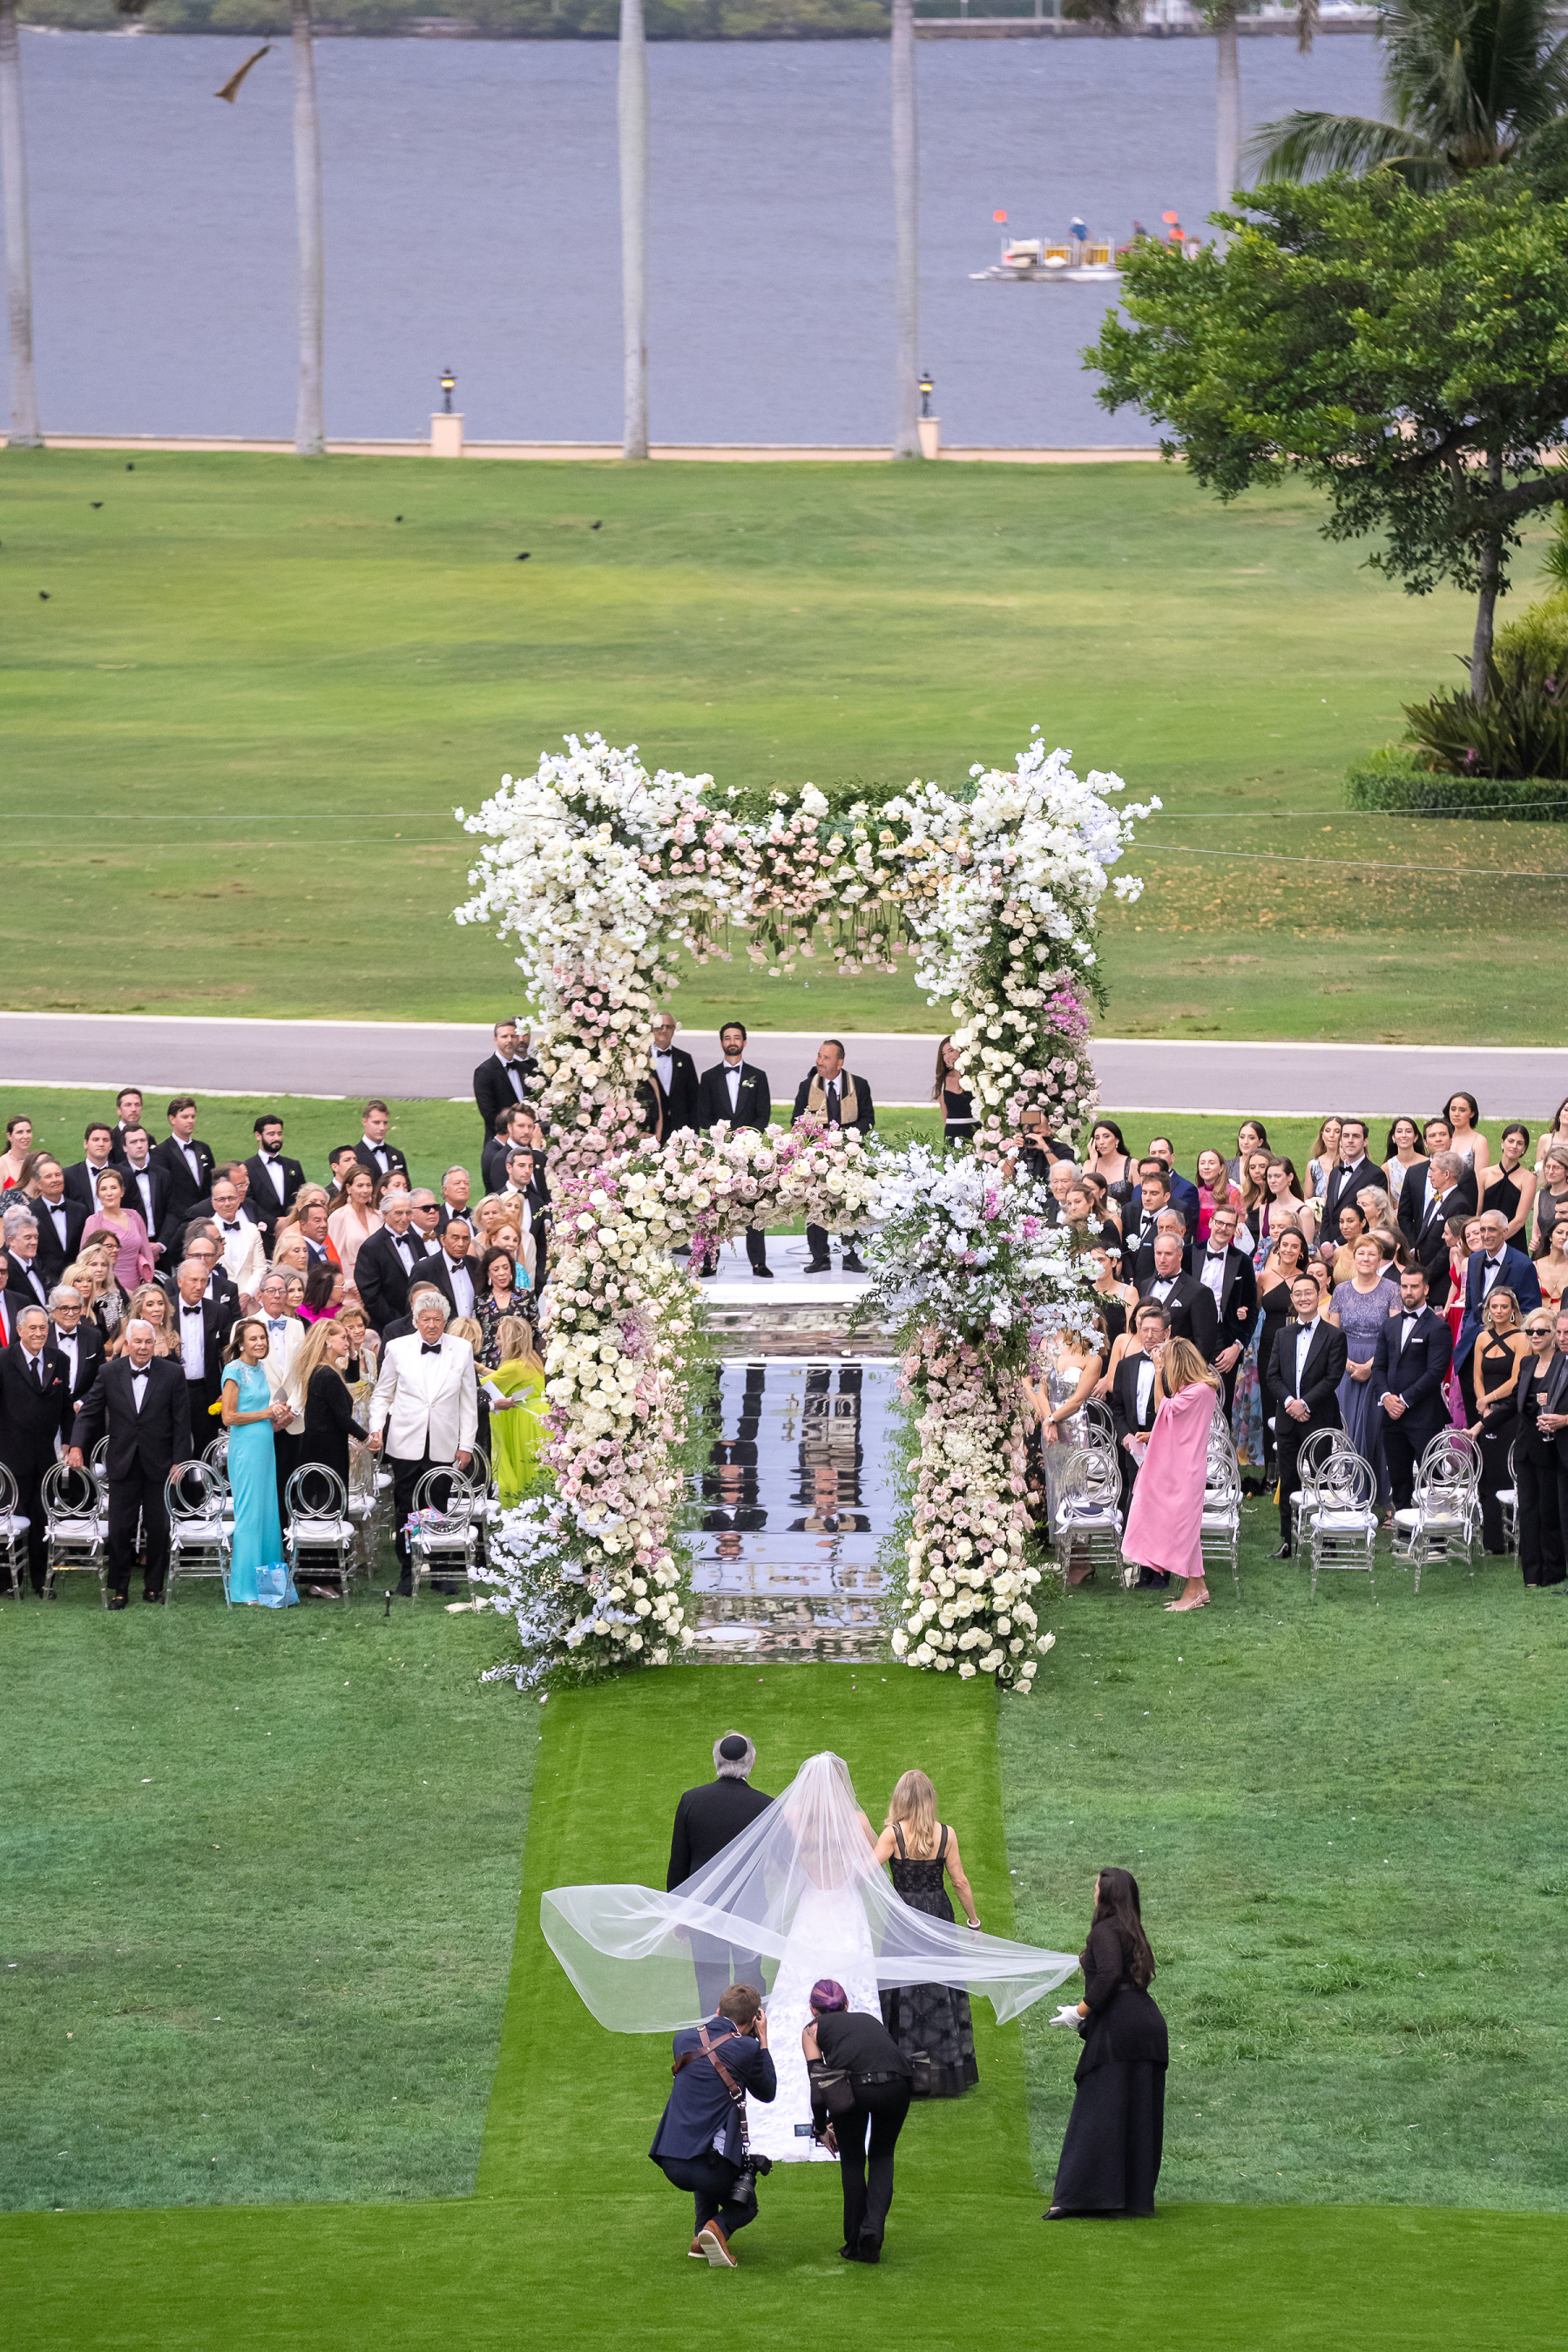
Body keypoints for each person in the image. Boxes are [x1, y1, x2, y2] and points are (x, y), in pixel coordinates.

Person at [1046, 1869, 1167, 2220]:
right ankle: (1131, 2197)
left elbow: (1110, 1974)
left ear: (1106, 1895)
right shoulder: (1133, 1929)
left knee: (1095, 2111)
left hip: (1120, 2030)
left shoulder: (1103, 1931)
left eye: (1096, 1888)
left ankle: (1073, 2198)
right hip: (1148, 2026)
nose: (1092, 1893)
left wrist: (1078, 2012)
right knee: (1137, 2113)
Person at [650, 1982, 776, 2270]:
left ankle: (699, 2238)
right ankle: (717, 2229)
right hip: (709, 2170)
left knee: (705, 2151)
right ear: (754, 2019)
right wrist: (763, 2040)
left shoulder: (682, 2040)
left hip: (671, 2161)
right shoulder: (748, 2048)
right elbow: (768, 2091)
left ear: (718, 2011)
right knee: (746, 2206)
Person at [67, 1318, 192, 1607]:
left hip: (160, 1463)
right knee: (121, 1529)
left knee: (158, 1528)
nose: (143, 1347)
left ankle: (153, 1588)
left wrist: (180, 1460)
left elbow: (181, 1422)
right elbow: (89, 1413)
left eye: (149, 1341)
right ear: (127, 1342)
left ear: (155, 1343)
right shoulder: (109, 1372)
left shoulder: (172, 1373)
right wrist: (76, 1445)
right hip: (123, 1462)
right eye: (137, 1341)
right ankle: (120, 1589)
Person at [871, 1770, 979, 2097]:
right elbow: (959, 1881)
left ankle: (901, 2067)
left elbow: (866, 1871)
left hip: (903, 1915)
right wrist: (973, 1921)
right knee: (939, 1986)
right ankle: (944, 2069)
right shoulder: (946, 1834)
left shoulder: (892, 1835)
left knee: (902, 1987)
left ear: (900, 1798)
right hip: (938, 1913)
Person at [367, 1290, 478, 1589]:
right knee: (406, 1507)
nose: (431, 1325)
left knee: (439, 1504)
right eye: (426, 1319)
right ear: (415, 1321)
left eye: (437, 1320)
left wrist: (466, 1443)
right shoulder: (397, 1348)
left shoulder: (462, 1349)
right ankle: (408, 1569)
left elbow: (468, 1401)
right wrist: (376, 1429)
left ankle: (442, 1570)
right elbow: (382, 1394)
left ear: (445, 1321)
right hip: (405, 1440)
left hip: (444, 1440)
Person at [804, 1980, 914, 2263]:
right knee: (882, 2155)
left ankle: (855, 2241)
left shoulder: (811, 2030)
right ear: (847, 2005)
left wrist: (820, 2128)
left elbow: (819, 2089)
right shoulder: (866, 2018)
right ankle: (872, 2230)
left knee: (853, 2160)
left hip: (854, 2088)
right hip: (899, 2085)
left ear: (813, 2010)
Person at [668, 1733, 774, 2012]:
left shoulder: (691, 1800)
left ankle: (713, 2045)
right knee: (750, 1982)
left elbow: (679, 1864)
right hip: (751, 1911)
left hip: (704, 1912)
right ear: (750, 1762)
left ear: (717, 1760)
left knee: (709, 1984)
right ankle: (753, 2039)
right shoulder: (766, 1806)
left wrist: (679, 1915)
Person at [1121, 1335, 1220, 1611]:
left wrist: (1158, 1369)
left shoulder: (1199, 1391)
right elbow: (1178, 1424)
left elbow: (1162, 1407)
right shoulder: (1198, 1390)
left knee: (1183, 1532)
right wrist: (1154, 1434)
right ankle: (1199, 1589)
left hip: (1184, 1471)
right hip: (1182, 1467)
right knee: (1188, 1532)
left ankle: (1192, 1591)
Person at [1270, 1273, 1349, 1556]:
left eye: (1309, 1293)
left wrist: (1305, 1404)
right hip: (1287, 1419)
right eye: (1298, 1293)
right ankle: (1287, 1541)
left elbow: (1332, 1378)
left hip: (1318, 1418)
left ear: (1318, 1295)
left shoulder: (1335, 1335)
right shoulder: (1282, 1334)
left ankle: (1326, 1540)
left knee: (1321, 1478)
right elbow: (1273, 1376)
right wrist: (1291, 1402)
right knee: (1289, 1479)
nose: (1303, 1298)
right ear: (1292, 1299)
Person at [221, 1317, 296, 1606]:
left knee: (267, 1515)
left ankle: (269, 1587)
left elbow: (258, 1410)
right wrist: (266, 1414)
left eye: (262, 1338)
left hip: (266, 1444)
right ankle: (245, 1589)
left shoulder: (261, 1368)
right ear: (241, 1342)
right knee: (250, 1516)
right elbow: (229, 1417)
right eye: (253, 1338)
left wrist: (277, 1418)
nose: (260, 1343)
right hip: (246, 1450)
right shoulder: (233, 1370)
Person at [1369, 1264, 1456, 1513]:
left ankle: (1436, 1532)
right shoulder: (1390, 1325)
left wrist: (1403, 1400)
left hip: (1424, 1415)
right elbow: (1379, 1367)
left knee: (1431, 1475)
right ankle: (1404, 1529)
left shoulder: (1438, 1327)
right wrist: (1386, 1397)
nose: (1408, 1292)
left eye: (1414, 1287)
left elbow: (1435, 1373)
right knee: (1398, 1475)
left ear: (1426, 1289)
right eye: (1404, 1286)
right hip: (1391, 1415)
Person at [0, 1305, 73, 1592]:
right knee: (9, 1518)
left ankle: (43, 1581)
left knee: (43, 1519)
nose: (39, 1333)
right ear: (19, 1331)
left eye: (43, 1327)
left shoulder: (59, 1360)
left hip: (45, 1455)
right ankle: (7, 1581)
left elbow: (67, 1406)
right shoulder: (3, 1359)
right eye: (32, 1328)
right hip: (10, 1455)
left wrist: (69, 1440)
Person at [696, 1023, 773, 1279]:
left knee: (753, 1202)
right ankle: (709, 1261)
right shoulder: (708, 1077)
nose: (732, 1042)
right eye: (727, 1038)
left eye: (737, 1037)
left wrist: (747, 1137)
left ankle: (758, 1263)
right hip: (719, 1152)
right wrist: (721, 1137)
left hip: (750, 1152)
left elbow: (763, 1113)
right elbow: (703, 1114)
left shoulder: (758, 1075)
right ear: (721, 1043)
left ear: (744, 1042)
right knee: (715, 1206)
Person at [794, 1039, 875, 1274]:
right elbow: (796, 1121)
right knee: (816, 1204)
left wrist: (843, 1137)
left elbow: (868, 1119)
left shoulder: (859, 1085)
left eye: (826, 1058)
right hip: (818, 1155)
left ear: (840, 1062)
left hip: (850, 1153)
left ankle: (851, 1258)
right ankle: (820, 1258)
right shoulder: (806, 1086)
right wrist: (819, 1136)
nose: (819, 1061)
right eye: (819, 1056)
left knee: (852, 1204)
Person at [1328, 1236, 1400, 1497]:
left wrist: (1372, 1365)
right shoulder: (1341, 1290)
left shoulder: (1392, 1289)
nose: (1366, 1259)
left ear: (1380, 1259)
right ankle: (1348, 1492)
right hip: (1345, 1364)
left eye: (1372, 1254)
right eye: (1361, 1254)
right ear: (1354, 1257)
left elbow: (1395, 1335)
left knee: (1374, 1428)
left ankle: (1378, 1494)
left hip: (1379, 1363)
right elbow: (1333, 1334)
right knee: (1346, 1427)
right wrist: (1345, 1363)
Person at [1455, 1208, 1542, 1423]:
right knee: (1474, 1416)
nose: (1486, 1235)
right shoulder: (1474, 1260)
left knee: (1500, 1421)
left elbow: (1530, 1313)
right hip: (1471, 1351)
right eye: (1482, 1229)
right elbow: (1470, 1307)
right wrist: (1469, 1334)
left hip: (1505, 1356)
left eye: (1492, 1229)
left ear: (1505, 1231)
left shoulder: (1523, 1265)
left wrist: (1506, 1336)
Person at [1468, 1288, 1529, 1554]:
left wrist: (1490, 1401)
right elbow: (1477, 1377)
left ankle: (1514, 1537)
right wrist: (1483, 1405)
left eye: (1505, 1306)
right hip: (1486, 1410)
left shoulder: (1521, 1338)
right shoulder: (1482, 1337)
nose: (1500, 1311)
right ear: (1488, 1310)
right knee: (1487, 1474)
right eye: (1495, 1306)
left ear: (1513, 1309)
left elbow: (1517, 1381)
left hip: (1509, 1411)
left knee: (1508, 1473)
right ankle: (1492, 1540)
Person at [294, 1317, 368, 1523]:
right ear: (328, 1340)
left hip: (324, 1444)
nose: (347, 1341)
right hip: (325, 1448)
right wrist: (369, 1440)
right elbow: (344, 1419)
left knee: (325, 1497)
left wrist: (352, 1350)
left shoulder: (325, 1369)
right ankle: (328, 1548)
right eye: (344, 1337)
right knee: (327, 1499)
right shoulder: (325, 1374)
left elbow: (352, 1378)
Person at [1514, 1308, 1568, 1586]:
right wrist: (1479, 1426)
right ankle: (1532, 1575)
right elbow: (1515, 1403)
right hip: (1526, 1447)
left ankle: (1553, 1572)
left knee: (1549, 1513)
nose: (1535, 1336)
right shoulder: (1526, 1364)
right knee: (1528, 1512)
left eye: (1542, 1331)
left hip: (1550, 1448)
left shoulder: (1563, 1363)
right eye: (1531, 1331)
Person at [480, 1316, 548, 1507]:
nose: (496, 1341)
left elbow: (481, 1385)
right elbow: (500, 1377)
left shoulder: (514, 1367)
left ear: (511, 1341)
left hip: (524, 1422)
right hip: (538, 1417)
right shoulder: (531, 1360)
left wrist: (473, 1367)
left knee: (522, 1467)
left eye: (500, 1337)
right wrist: (482, 1368)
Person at [1197, 1202, 1255, 1420]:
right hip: (1190, 1338)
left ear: (1234, 1229)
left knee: (1220, 1406)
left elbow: (1252, 1310)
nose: (1223, 1229)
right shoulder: (1188, 1253)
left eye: (1229, 1225)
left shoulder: (1243, 1262)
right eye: (1219, 1222)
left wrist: (1237, 1346)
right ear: (1211, 1222)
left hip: (1224, 1340)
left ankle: (1219, 1452)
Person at [352, 1191, 431, 1335]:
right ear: (385, 1213)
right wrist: (400, 1323)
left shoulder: (416, 1240)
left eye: (408, 1213)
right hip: (390, 1327)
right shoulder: (371, 1247)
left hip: (422, 1324)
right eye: (398, 1213)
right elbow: (371, 1296)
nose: (404, 1218)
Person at [1137, 1232, 1219, 1361]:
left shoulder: (1199, 1291)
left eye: (1168, 1254)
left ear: (1180, 1255)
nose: (1162, 1259)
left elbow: (1204, 1344)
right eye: (1159, 1253)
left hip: (1178, 1369)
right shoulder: (1144, 1285)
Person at [81, 1164, 156, 1296]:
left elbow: (147, 1252)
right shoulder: (94, 1222)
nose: (109, 1193)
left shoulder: (135, 1216)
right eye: (103, 1189)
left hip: (138, 1290)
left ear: (121, 1191)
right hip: (108, 1292)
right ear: (98, 1194)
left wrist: (147, 1285)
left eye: (113, 1188)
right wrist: (119, 1292)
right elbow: (85, 1262)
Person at [1400, 1125, 1479, 1247]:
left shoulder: (1465, 1173)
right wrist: (1414, 1247)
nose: (1438, 1139)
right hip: (1417, 1247)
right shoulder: (1414, 1172)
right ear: (1425, 1142)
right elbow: (1404, 1214)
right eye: (1432, 1136)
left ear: (1451, 1139)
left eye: (1443, 1134)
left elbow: (1467, 1215)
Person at [150, 1098, 215, 1229]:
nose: (191, 1120)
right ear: (172, 1119)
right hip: (179, 1222)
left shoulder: (203, 1148)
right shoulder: (161, 1152)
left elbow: (213, 1182)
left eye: (193, 1116)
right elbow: (163, 1193)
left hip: (207, 1219)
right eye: (185, 1117)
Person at [473, 1017, 538, 1146]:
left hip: (528, 1142)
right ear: (496, 1040)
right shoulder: (484, 1071)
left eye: (513, 1036)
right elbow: (489, 1115)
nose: (509, 1040)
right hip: (501, 1144)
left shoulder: (526, 1069)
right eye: (504, 1037)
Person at [1321, 1119, 1388, 1237]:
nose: (1350, 1140)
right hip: (1329, 1246)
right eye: (1346, 1136)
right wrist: (1325, 1242)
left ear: (1365, 1141)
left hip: (1358, 1245)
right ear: (1341, 1141)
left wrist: (1337, 1244)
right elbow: (1327, 1210)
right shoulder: (1335, 1172)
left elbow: (1370, 1217)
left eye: (1356, 1136)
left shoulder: (1376, 1174)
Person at [245, 1112, 304, 1240]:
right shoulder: (248, 1168)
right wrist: (275, 1223)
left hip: (293, 1232)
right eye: (271, 1134)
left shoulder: (293, 1165)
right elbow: (248, 1202)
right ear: (258, 1136)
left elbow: (302, 1196)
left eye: (279, 1133)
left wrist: (290, 1220)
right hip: (262, 1234)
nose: (276, 1138)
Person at [327, 1163, 382, 1296]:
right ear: (348, 1188)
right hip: (351, 1290)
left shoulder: (379, 1216)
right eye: (360, 1186)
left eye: (368, 1185)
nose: (365, 1190)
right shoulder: (339, 1217)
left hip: (379, 1284)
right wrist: (352, 1284)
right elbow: (336, 1255)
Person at [48, 1281, 105, 1407]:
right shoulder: (43, 1337)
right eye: (64, 1308)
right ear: (53, 1311)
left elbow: (101, 1378)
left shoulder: (94, 1337)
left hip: (84, 1412)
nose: (71, 1313)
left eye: (75, 1308)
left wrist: (82, 1402)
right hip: (49, 1413)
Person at [651, 1010, 700, 1136]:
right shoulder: (641, 1059)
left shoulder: (685, 1059)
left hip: (680, 1131)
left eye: (669, 1027)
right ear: (652, 1029)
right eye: (660, 1026)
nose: (664, 1030)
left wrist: (694, 1133)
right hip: (651, 1131)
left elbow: (694, 1099)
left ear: (674, 1030)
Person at [934, 1037, 975, 1149]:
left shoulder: (977, 1076)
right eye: (944, 1054)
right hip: (953, 1137)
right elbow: (945, 1117)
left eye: (951, 1050)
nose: (948, 1057)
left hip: (976, 1134)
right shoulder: (943, 1081)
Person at [355, 1100, 409, 1186]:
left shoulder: (397, 1155)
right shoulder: (354, 1156)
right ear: (364, 1122)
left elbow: (406, 1187)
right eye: (376, 1122)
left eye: (385, 1123)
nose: (382, 1128)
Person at [1085, 1119, 1137, 1200]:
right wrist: (1094, 1163)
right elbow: (1085, 1195)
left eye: (1106, 1136)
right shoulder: (1089, 1165)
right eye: (1097, 1138)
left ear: (1117, 1140)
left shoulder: (1132, 1164)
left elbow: (1139, 1198)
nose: (1101, 1142)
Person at [1532, 1144, 1568, 1260]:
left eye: (1556, 1168)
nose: (1550, 1172)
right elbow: (1536, 1231)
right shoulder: (1541, 1195)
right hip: (1543, 1254)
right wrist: (1534, 1242)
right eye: (1547, 1167)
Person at [1382, 1116, 1426, 1206]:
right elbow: (1385, 1203)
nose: (1404, 1135)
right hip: (1396, 1218)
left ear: (1416, 1137)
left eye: (1408, 1131)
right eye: (1399, 1131)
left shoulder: (1427, 1164)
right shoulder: (1387, 1167)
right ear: (1393, 1137)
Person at [1444, 1091, 1489, 1173]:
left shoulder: (1479, 1141)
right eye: (1453, 1109)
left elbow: (1480, 1178)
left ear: (1472, 1113)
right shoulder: (1443, 1137)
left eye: (1462, 1110)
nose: (1456, 1114)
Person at [1304, 1117, 1342, 1206]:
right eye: (1327, 1131)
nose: (1331, 1135)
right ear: (1322, 1134)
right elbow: (1307, 1200)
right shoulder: (1313, 1165)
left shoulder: (1349, 1164)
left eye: (1337, 1131)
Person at [1225, 1118, 1271, 1188]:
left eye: (1251, 1138)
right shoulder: (1227, 1166)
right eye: (1242, 1137)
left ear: (1260, 1142)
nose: (1245, 1142)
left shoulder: (1270, 1166)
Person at [0, 1114, 34, 1193]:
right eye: (20, 1132)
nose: (25, 1136)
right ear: (9, 1136)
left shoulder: (36, 1161)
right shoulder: (2, 1164)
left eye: (28, 1131)